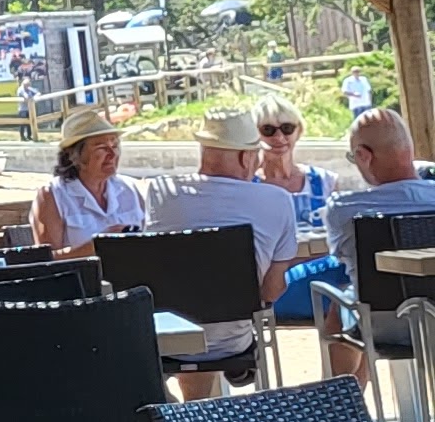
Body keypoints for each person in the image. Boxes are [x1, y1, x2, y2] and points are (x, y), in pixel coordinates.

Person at [147, 103, 298, 396]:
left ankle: (190, 413)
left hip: (166, 337)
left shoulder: (161, 192)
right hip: (231, 343)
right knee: (216, 322)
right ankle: (202, 414)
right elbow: (271, 290)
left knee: (191, 313)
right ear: (245, 156)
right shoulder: (277, 200)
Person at [316, 107, 435, 385]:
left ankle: (341, 404)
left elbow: (342, 259)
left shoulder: (344, 209)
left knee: (344, 303)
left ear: (363, 156)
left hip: (383, 327)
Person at [257, 100, 333, 329]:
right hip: (274, 287)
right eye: (268, 130)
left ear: (299, 131)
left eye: (287, 128)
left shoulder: (325, 181)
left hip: (320, 276)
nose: (279, 137)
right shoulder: (249, 188)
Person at [33, 103, 141, 252]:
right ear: (73, 155)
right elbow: (47, 259)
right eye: (101, 147)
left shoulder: (129, 189)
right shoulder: (52, 195)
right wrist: (99, 245)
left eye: (115, 146)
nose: (112, 154)